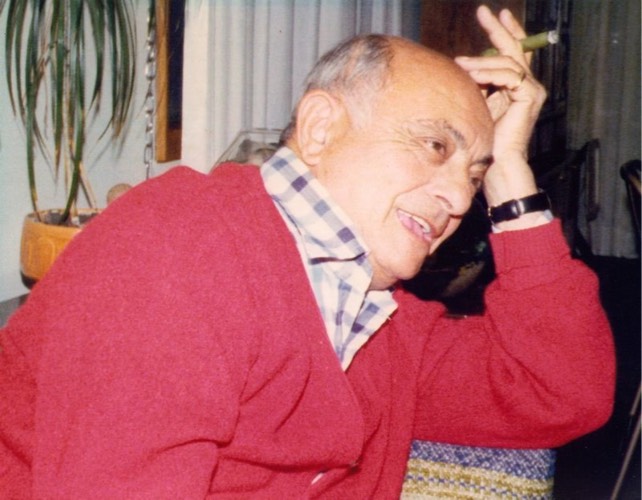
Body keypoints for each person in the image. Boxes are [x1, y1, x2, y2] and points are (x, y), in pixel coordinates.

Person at [0, 5, 614, 498]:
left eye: (473, 175)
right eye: (434, 146)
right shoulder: (179, 248)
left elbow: (562, 393)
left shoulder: (376, 315)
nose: (458, 197)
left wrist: (509, 176)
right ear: (321, 128)